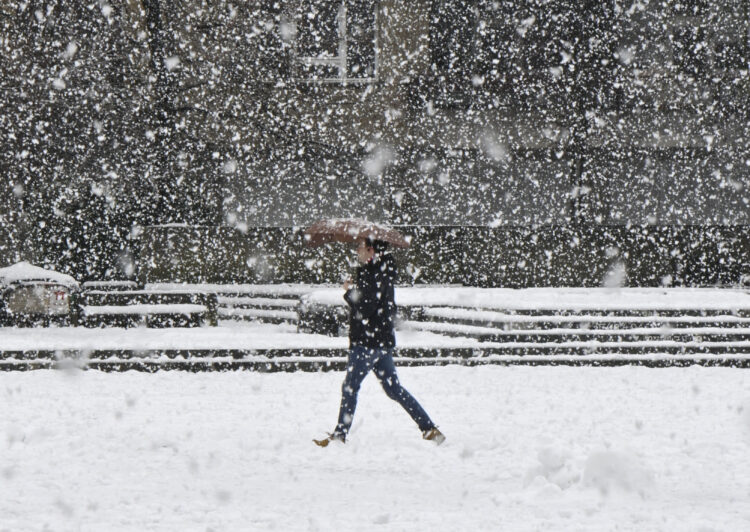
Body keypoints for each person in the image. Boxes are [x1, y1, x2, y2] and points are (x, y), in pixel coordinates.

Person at [314, 237, 445, 447]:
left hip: (367, 343)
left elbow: (366, 308)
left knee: (350, 387)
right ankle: (429, 428)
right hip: (381, 343)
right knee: (394, 389)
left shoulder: (372, 274)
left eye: (360, 247)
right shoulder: (382, 273)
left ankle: (339, 435)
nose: (357, 251)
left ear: (371, 250)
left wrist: (348, 292)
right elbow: (386, 307)